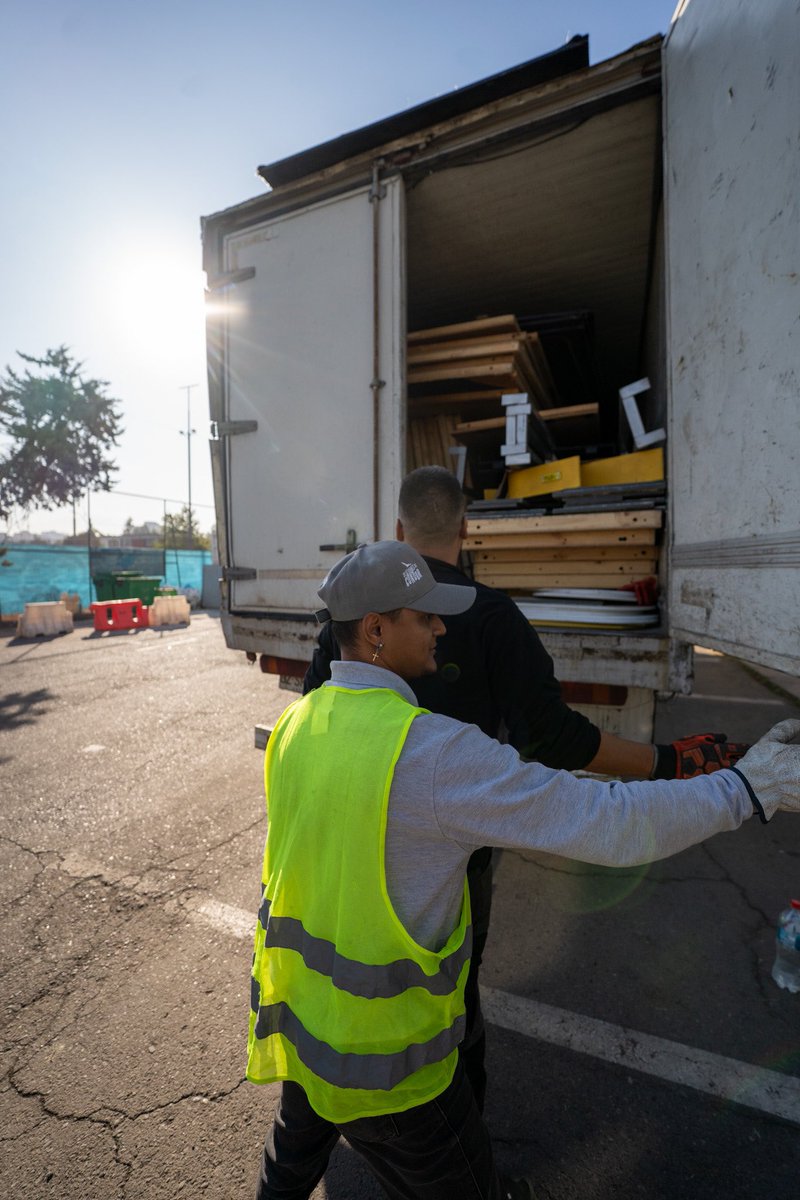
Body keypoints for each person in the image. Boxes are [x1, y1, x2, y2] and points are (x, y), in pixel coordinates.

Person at [250, 540, 800, 1200]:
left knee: (287, 1170)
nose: (441, 628)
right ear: (375, 630)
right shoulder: (430, 753)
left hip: (308, 1034)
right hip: (392, 1074)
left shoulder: (296, 723)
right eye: (424, 617)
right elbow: (608, 822)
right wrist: (744, 789)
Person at [304, 466, 748, 1108]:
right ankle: (452, 1122)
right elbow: (553, 738)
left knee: (351, 958)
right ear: (465, 528)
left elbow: (324, 714)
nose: (437, 632)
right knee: (451, 979)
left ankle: (335, 1088)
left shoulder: (347, 626)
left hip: (357, 829)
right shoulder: (491, 615)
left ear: (400, 530)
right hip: (461, 840)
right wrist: (665, 761)